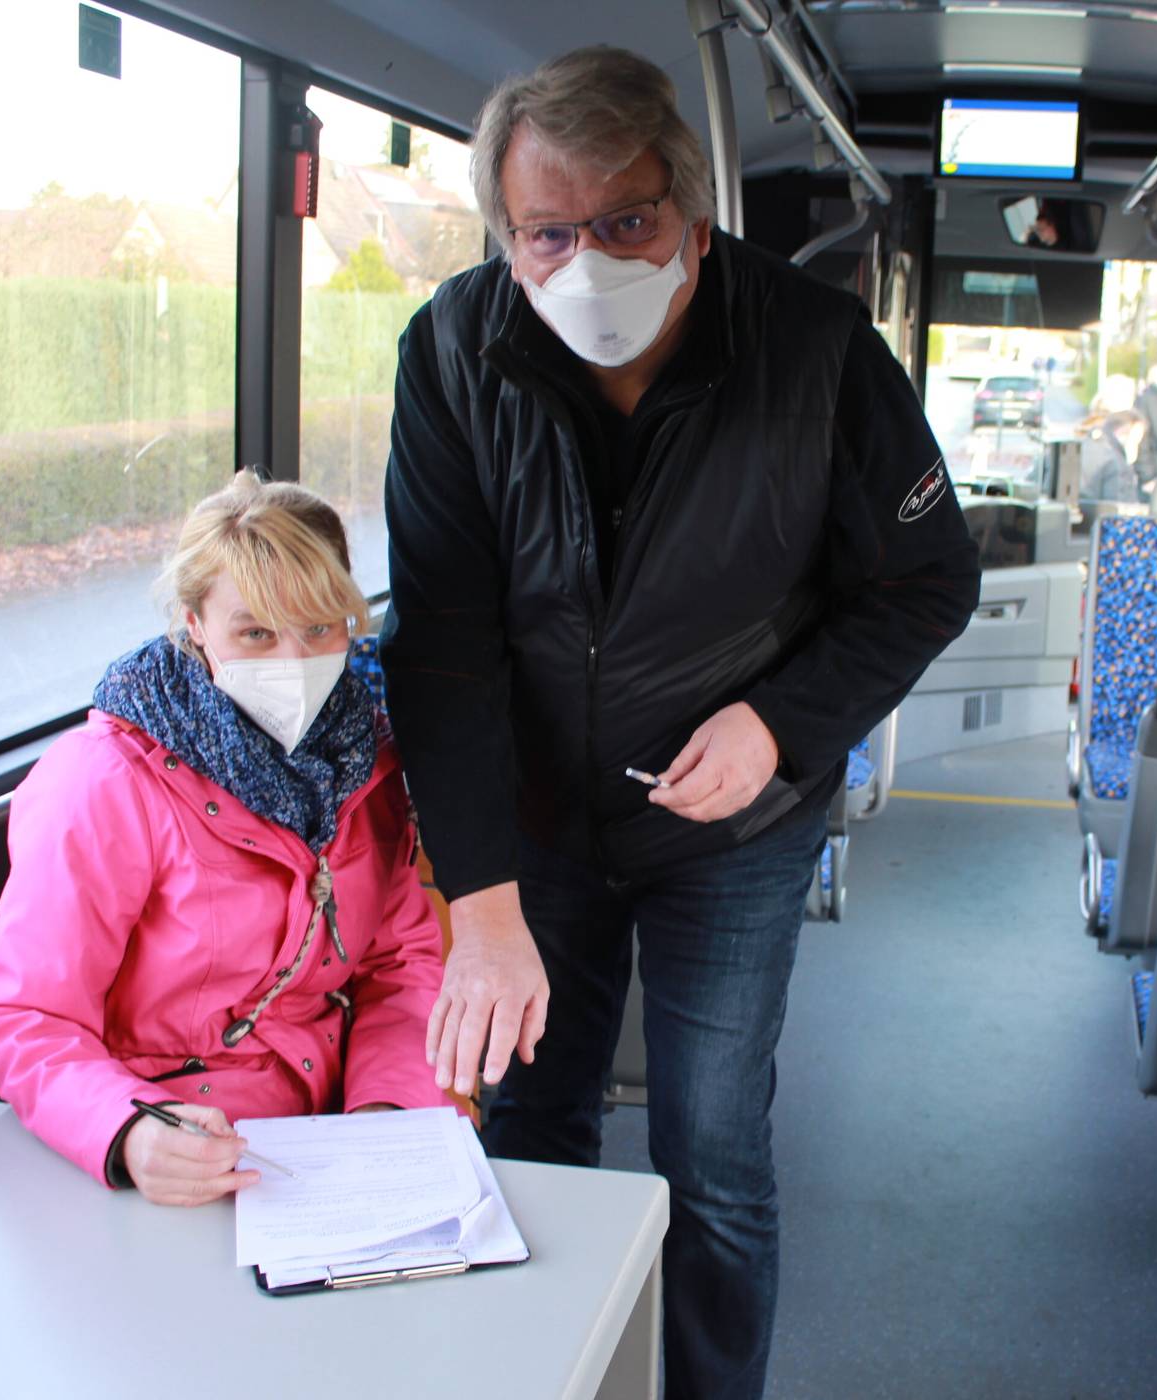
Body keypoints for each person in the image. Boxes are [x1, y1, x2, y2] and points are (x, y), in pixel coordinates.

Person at [380, 46, 980, 1399]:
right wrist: (478, 906)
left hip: (735, 828)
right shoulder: (455, 354)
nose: (585, 261)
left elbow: (927, 578)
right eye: (546, 232)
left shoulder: (815, 353)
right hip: (533, 824)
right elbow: (446, 647)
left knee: (711, 1149)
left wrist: (779, 723)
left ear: (694, 219)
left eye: (626, 223)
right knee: (533, 1123)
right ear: (505, 236)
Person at [0, 471, 450, 1206]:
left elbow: (398, 965)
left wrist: (386, 1112)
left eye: (319, 627)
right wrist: (129, 1132)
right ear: (195, 624)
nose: (293, 662)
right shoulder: (105, 781)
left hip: (328, 1150)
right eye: (255, 632)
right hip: (168, 1152)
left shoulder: (366, 761)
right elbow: (27, 1017)